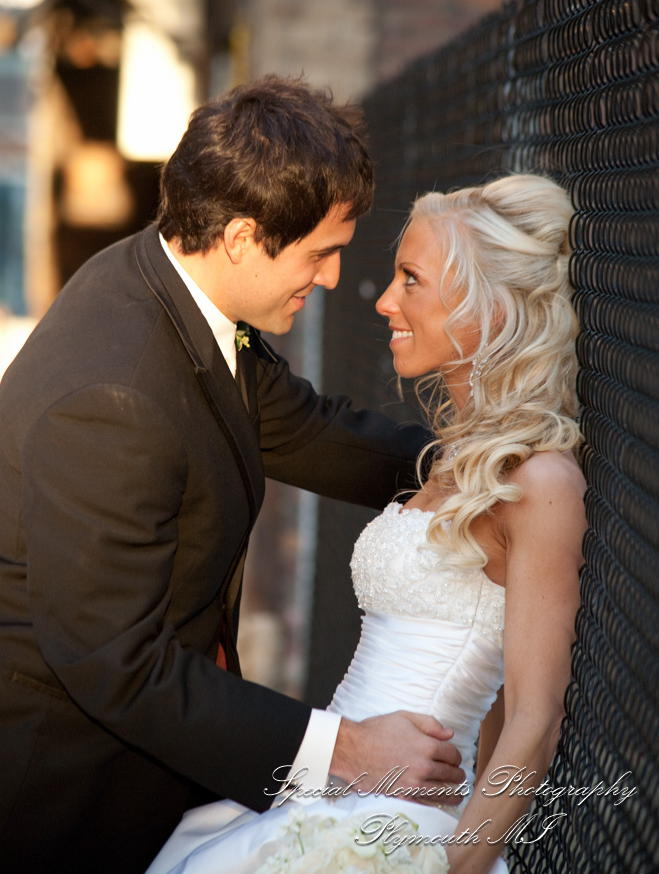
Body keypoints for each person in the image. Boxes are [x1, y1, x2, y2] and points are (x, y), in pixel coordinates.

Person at [0, 76, 468, 874]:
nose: (330, 280)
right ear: (245, 236)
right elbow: (119, 665)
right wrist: (347, 748)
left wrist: (474, 470)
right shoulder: (115, 398)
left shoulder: (166, 281)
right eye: (320, 253)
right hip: (58, 799)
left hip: (155, 760)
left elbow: (302, 426)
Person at [146, 173, 587, 874]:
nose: (382, 301)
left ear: (488, 307)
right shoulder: (452, 465)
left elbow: (531, 720)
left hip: (401, 826)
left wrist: (457, 862)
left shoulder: (538, 483)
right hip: (324, 790)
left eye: (410, 279)